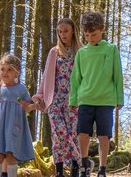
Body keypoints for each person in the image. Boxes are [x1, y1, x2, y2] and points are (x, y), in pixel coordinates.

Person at [70, 11, 123, 177]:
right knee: (82, 133)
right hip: (85, 99)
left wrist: (119, 98)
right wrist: (73, 100)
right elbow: (75, 79)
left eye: (93, 34)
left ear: (102, 30)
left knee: (103, 136)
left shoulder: (112, 49)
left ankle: (102, 168)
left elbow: (117, 76)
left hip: (106, 100)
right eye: (87, 35)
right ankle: (84, 163)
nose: (90, 38)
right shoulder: (81, 53)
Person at [31, 18, 82, 177]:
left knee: (73, 134)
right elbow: (47, 76)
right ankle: (59, 170)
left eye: (65, 31)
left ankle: (75, 168)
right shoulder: (54, 52)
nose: (63, 34)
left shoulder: (81, 51)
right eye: (59, 32)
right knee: (58, 134)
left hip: (74, 100)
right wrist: (40, 96)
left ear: (73, 30)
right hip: (55, 100)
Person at [0, 54, 36, 177]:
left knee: (10, 155)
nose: (5, 73)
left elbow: (30, 106)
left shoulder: (21, 89)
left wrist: (28, 107)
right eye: (2, 69)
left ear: (17, 73)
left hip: (14, 127)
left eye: (9, 70)